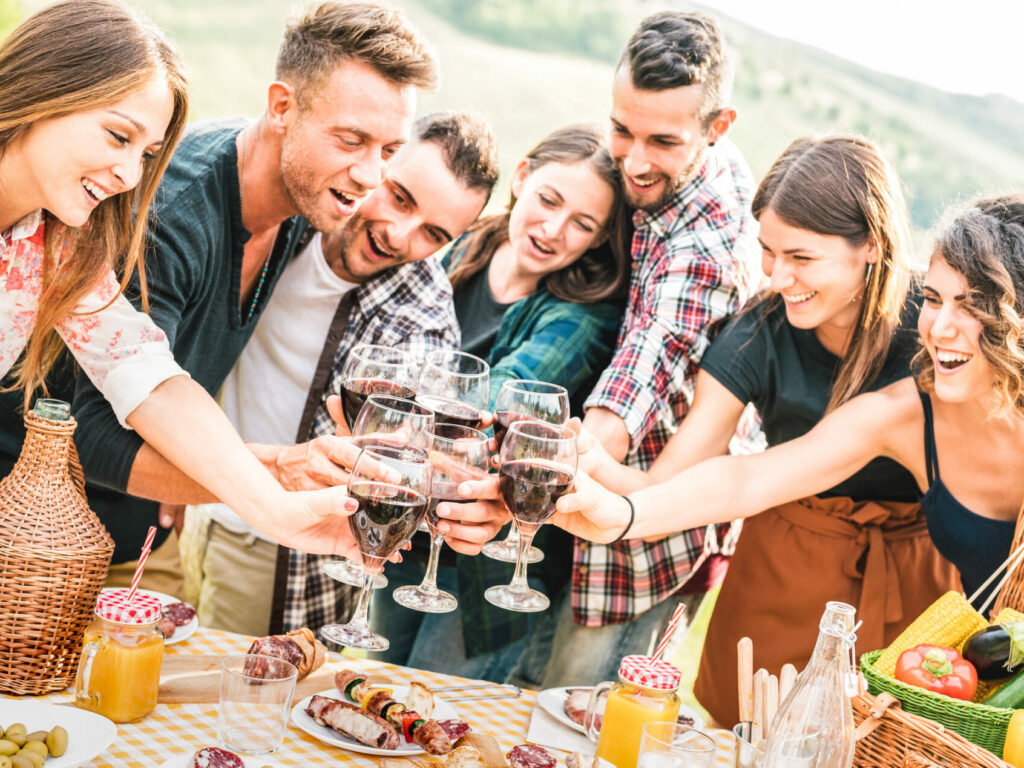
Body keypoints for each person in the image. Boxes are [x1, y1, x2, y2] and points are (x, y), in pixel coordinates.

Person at [0, 0, 438, 595]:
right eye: (117, 135)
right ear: (42, 91)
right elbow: (99, 431)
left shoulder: (55, 247)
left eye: (147, 154)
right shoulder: (173, 218)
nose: (131, 177)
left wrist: (276, 509)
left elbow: (146, 376)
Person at [554, 136, 971, 725]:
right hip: (783, 567)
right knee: (747, 732)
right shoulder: (758, 332)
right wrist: (602, 472)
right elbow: (685, 478)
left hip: (912, 579)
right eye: (767, 253)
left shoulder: (934, 331)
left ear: (872, 244)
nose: (777, 278)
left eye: (801, 257)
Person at [183, 110, 501, 637]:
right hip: (194, 498)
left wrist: (458, 495)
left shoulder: (421, 309)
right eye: (399, 197)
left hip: (278, 546)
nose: (400, 236)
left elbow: (416, 453)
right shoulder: (286, 217)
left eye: (434, 234)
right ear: (378, 160)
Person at [535, 10, 760, 688]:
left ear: (718, 129)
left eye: (662, 141)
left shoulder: (707, 249)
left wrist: (567, 452)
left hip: (652, 543)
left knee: (571, 713)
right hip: (598, 507)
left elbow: (647, 363)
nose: (633, 159)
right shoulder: (681, 164)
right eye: (621, 129)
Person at [374, 123, 630, 681]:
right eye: (548, 200)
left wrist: (393, 397)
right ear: (521, 178)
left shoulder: (582, 317)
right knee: (371, 687)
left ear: (598, 238)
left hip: (492, 559)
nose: (555, 229)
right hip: (408, 523)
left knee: (436, 705)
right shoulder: (462, 242)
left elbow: (485, 408)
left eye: (583, 224)